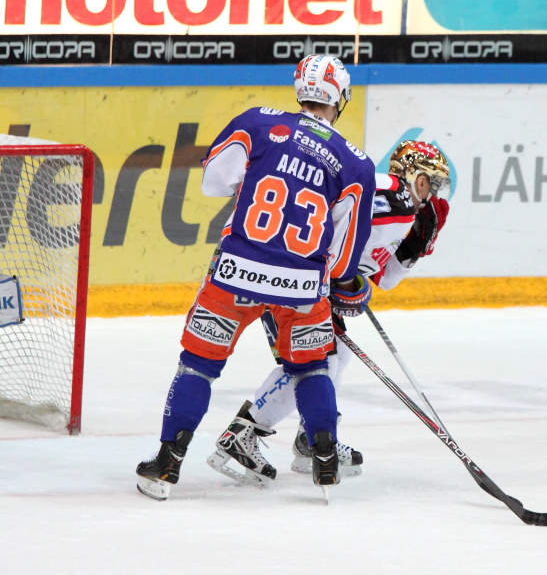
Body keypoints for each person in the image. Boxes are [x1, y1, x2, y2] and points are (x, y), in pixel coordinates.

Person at [136, 54, 377, 500]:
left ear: (299, 88)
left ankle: (167, 465)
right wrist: (348, 284)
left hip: (235, 274)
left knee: (198, 365)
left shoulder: (258, 122)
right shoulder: (357, 163)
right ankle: (324, 464)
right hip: (302, 286)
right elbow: (343, 263)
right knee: (312, 369)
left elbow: (214, 180)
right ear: (340, 98)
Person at [206, 140, 451, 486]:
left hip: (311, 278)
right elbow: (326, 224)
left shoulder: (406, 211)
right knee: (318, 360)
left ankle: (313, 436)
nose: (436, 192)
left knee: (337, 356)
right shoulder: (389, 192)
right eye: (434, 182)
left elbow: (384, 277)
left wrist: (414, 248)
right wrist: (339, 280)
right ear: (418, 178)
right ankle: (242, 435)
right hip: (291, 273)